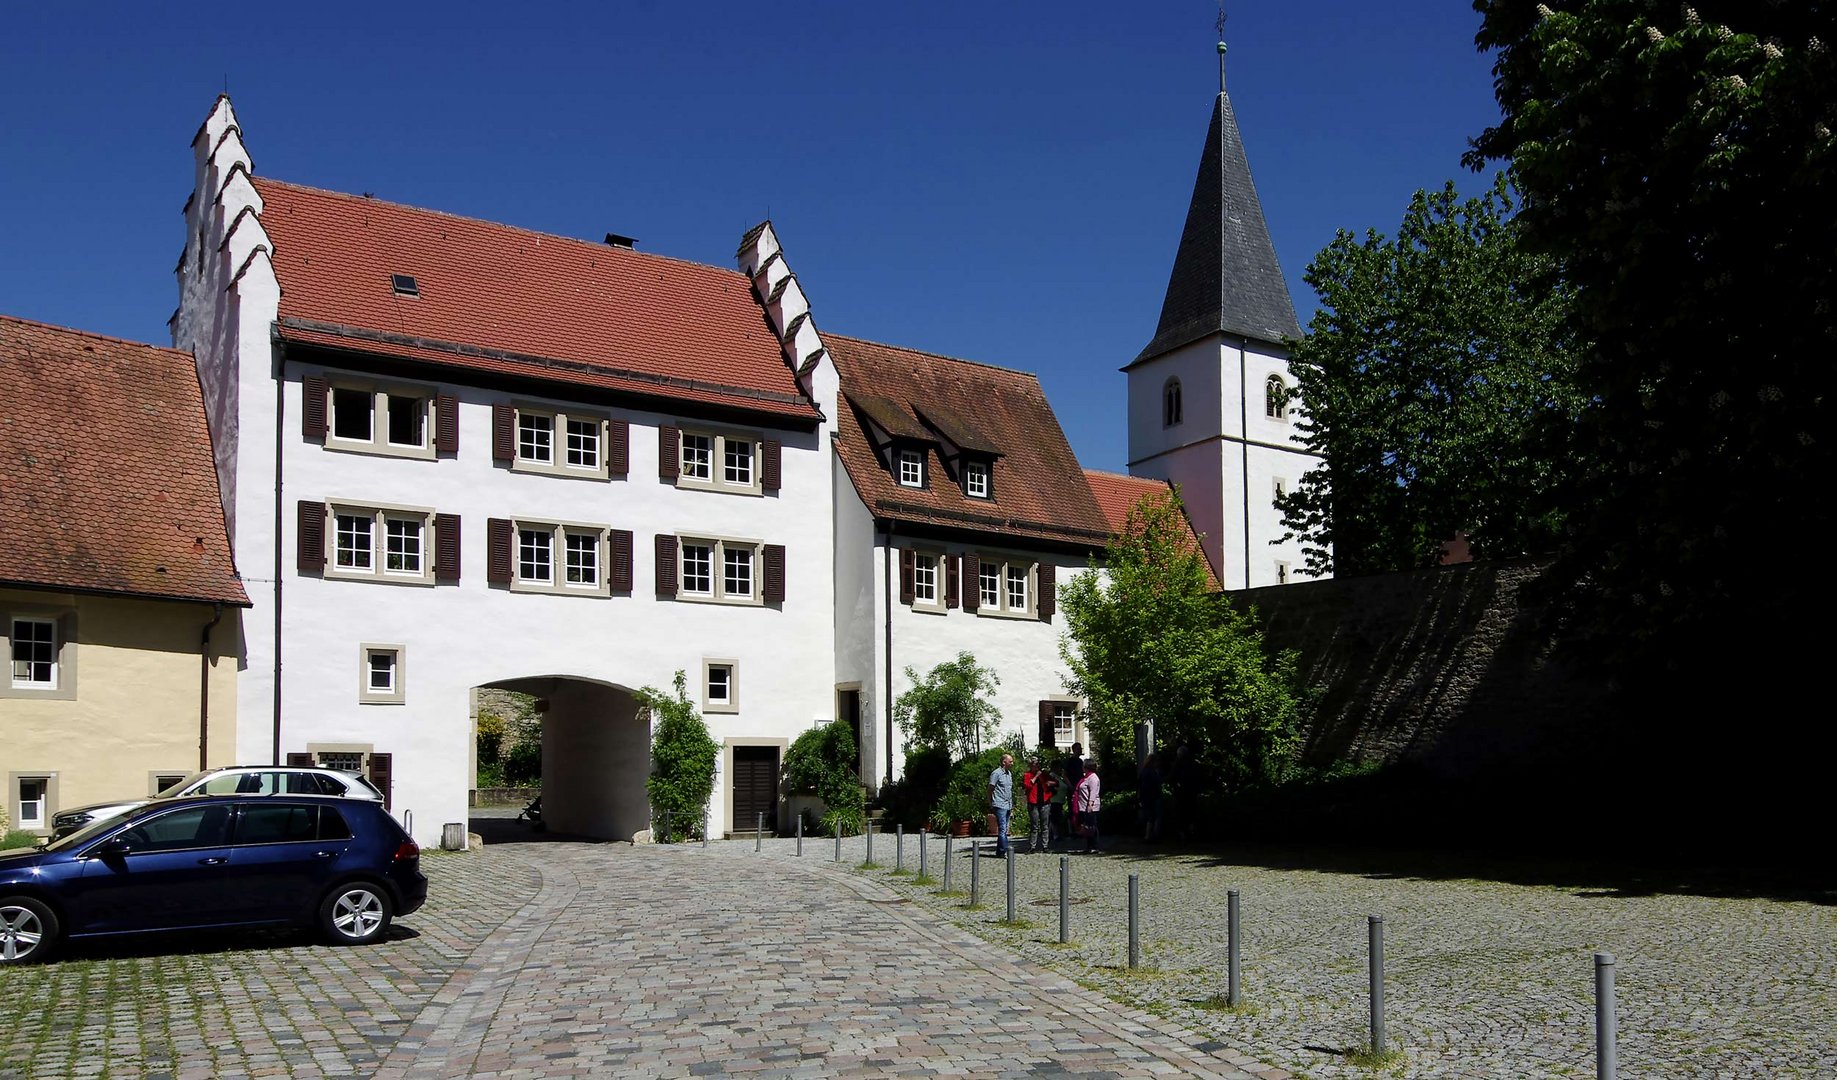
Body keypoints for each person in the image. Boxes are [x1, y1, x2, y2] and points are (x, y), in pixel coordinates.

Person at [1021, 757, 1056, 853]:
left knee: (1045, 825)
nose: (1036, 766)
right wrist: (1036, 776)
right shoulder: (1027, 775)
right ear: (1030, 765)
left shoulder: (1044, 774)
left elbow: (1056, 782)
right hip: (1033, 803)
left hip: (1045, 802)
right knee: (1034, 826)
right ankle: (1032, 846)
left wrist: (1050, 783)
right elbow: (1028, 785)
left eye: (1037, 764)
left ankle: (1045, 846)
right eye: (1034, 764)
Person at [987, 752, 1015, 856]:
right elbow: (990, 789)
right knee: (1003, 828)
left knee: (1004, 829)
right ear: (1004, 762)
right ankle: (1004, 851)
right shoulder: (996, 774)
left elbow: (1009, 791)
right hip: (999, 804)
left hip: (1007, 805)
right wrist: (991, 803)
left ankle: (999, 851)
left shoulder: (1009, 774)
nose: (1012, 763)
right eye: (1010, 761)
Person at [1073, 762, 1101, 852]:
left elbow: (1093, 792)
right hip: (1083, 805)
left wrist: (1090, 804)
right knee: (1087, 827)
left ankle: (1094, 846)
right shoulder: (1086, 778)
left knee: (1092, 826)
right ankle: (1089, 846)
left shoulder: (1093, 778)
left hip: (1091, 806)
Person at [1137, 752, 1164, 843]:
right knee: (1152, 817)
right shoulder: (1151, 772)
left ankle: (1149, 835)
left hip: (1147, 797)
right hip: (1151, 797)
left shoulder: (1144, 771)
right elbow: (1153, 784)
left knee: (1150, 817)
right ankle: (1150, 836)